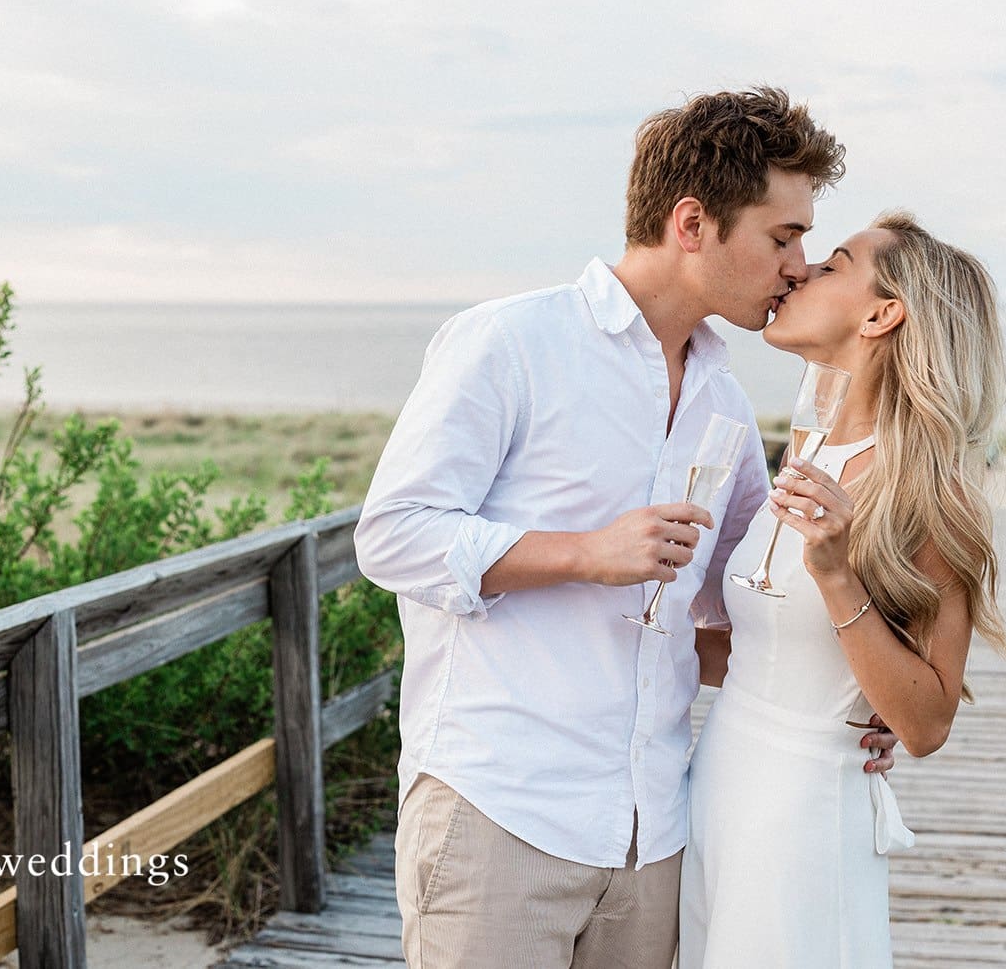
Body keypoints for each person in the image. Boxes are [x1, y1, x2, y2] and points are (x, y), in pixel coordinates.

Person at [353, 87, 897, 969]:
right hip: (502, 812)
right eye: (783, 237)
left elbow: (738, 608)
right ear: (693, 223)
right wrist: (586, 553)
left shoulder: (723, 399)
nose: (798, 266)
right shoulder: (509, 343)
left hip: (655, 834)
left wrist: (846, 702)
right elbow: (392, 534)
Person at [679, 212, 1006, 966]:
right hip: (717, 782)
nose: (800, 270)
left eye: (831, 265)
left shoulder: (929, 493)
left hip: (803, 813)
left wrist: (836, 575)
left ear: (881, 315)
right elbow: (766, 650)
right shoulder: (808, 447)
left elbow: (925, 722)